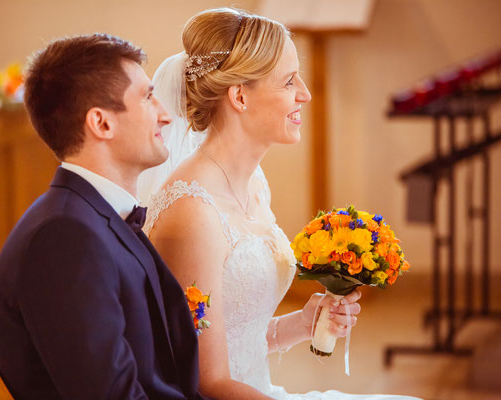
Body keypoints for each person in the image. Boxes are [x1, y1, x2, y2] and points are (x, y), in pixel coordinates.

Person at [140, 8, 421, 400]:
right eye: (289, 81)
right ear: (239, 95)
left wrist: (304, 323)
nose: (304, 93)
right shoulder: (192, 213)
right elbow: (207, 382)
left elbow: (239, 340)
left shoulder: (253, 182)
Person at [0, 33, 211, 400]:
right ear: (102, 124)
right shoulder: (63, 238)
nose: (166, 114)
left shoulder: (94, 217)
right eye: (147, 97)